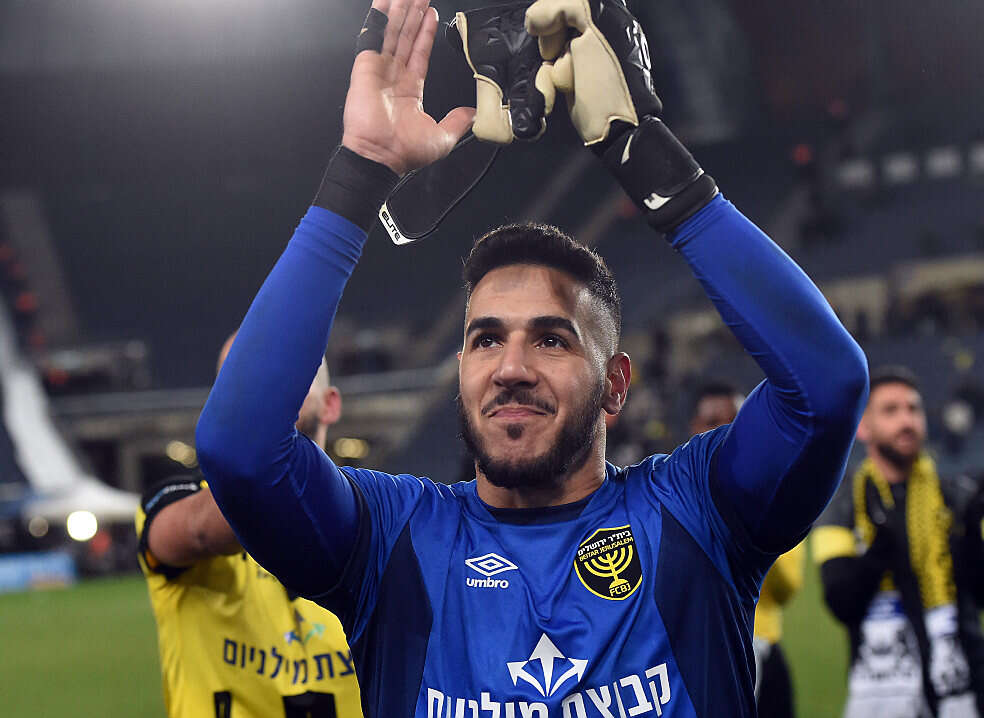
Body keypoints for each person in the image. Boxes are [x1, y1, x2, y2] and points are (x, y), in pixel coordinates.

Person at [196, 1, 869, 716]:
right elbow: (239, 449)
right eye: (485, 339)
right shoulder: (394, 541)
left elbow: (825, 388)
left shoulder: (695, 513)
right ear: (461, 371)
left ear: (615, 384)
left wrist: (649, 159)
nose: (510, 367)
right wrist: (360, 172)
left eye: (551, 339)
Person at [136, 335, 361, 718]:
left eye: (291, 367)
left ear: (330, 404)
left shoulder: (376, 520)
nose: (266, 384)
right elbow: (195, 530)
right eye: (240, 376)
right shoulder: (180, 505)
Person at [811, 367, 984, 718]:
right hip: (882, 691)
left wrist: (973, 535)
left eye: (913, 409)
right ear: (863, 427)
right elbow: (841, 603)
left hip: (968, 690)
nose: (907, 420)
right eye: (891, 410)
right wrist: (880, 550)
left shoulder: (960, 497)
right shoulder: (841, 505)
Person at [689, 381, 805, 718]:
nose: (724, 431)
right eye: (713, 422)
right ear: (694, 428)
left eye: (735, 420)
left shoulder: (775, 493)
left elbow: (787, 588)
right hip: (696, 653)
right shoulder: (669, 497)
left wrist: (758, 534)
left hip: (761, 645)